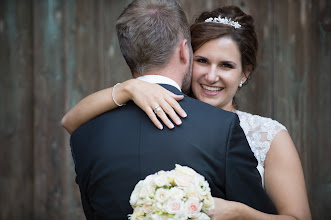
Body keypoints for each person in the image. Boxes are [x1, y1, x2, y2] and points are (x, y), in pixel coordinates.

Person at [62, 4, 311, 220]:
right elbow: (71, 121)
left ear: (244, 73)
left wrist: (239, 213)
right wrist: (129, 88)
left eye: (226, 65)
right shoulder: (155, 105)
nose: (211, 76)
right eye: (202, 61)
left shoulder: (269, 136)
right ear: (187, 56)